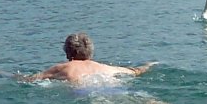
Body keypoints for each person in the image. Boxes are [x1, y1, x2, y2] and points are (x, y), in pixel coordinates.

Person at [22, 32, 157, 83]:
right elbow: (135, 71)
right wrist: (149, 64)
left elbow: (30, 79)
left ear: (68, 53)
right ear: (90, 52)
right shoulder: (106, 68)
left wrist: (4, 74)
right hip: (113, 87)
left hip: (84, 92)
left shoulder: (62, 68)